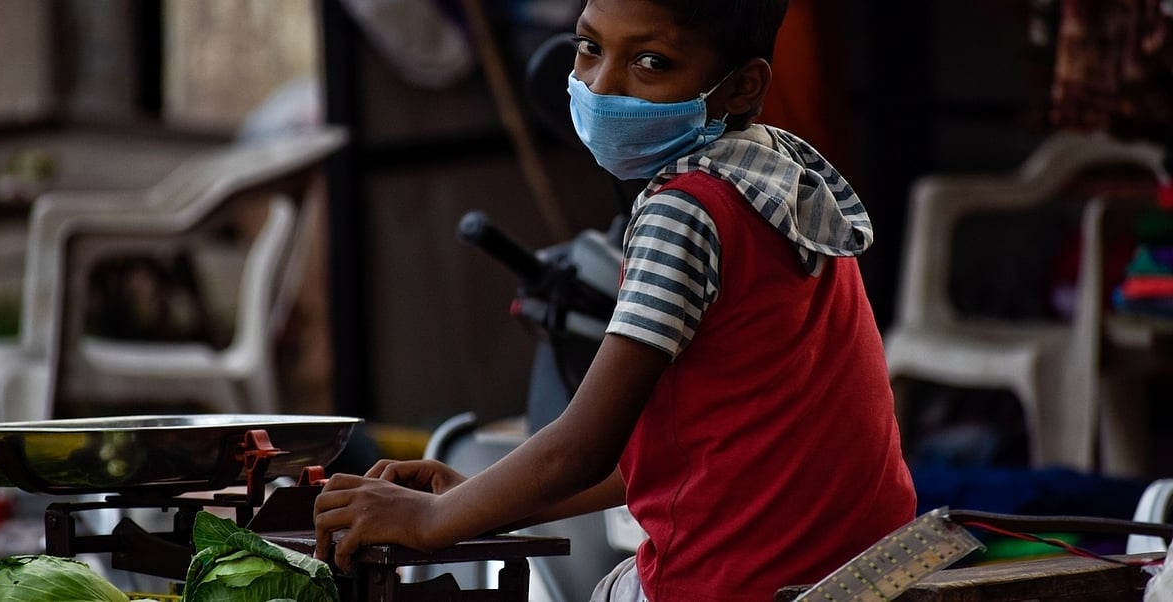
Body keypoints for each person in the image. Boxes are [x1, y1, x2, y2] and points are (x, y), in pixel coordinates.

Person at [313, 0, 917, 599]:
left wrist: (429, 521)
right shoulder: (780, 177)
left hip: (740, 582)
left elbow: (581, 447)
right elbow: (661, 458)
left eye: (651, 61)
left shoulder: (684, 210)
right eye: (590, 48)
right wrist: (474, 497)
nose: (602, 86)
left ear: (741, 86)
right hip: (869, 570)